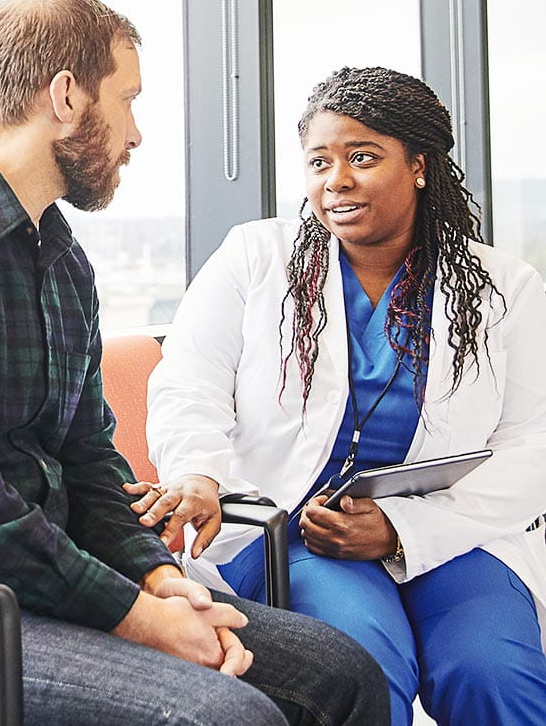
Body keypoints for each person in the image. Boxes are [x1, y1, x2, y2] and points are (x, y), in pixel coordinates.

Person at [0, 0, 388, 726]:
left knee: (342, 674)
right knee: (225, 717)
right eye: (128, 99)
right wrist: (137, 616)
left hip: (30, 596)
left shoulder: (61, 263)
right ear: (66, 97)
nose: (136, 135)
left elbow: (89, 463)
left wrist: (159, 579)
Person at [139, 66, 546, 726]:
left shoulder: (506, 288)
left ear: (418, 165)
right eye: (319, 161)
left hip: (453, 530)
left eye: (363, 158)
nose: (337, 180)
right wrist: (199, 474)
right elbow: (189, 384)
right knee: (359, 660)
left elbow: (533, 446)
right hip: (292, 528)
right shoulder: (254, 259)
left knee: (490, 670)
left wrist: (401, 529)